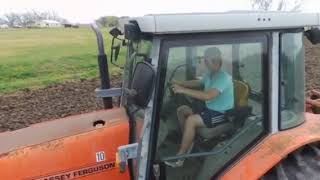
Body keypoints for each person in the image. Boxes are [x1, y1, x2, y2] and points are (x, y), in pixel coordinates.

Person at [165, 47, 234, 167]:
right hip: (209, 109)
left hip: (221, 114)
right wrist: (180, 83)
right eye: (204, 61)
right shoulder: (211, 74)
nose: (204, 63)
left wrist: (183, 90)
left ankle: (180, 157)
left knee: (191, 120)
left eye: (206, 61)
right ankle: (188, 141)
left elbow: (208, 96)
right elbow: (198, 82)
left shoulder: (223, 78)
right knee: (182, 110)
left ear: (216, 61)